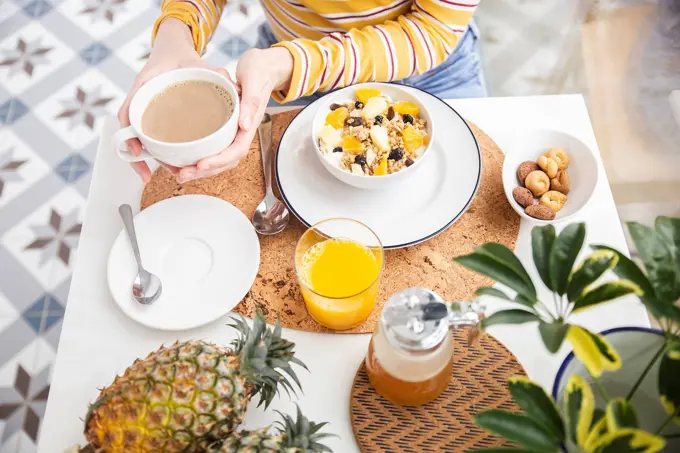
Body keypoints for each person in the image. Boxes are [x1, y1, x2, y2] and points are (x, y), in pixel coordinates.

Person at [120, 0, 483, 184]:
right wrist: (175, 32)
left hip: (432, 73)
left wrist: (293, 64)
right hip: (285, 68)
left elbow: (432, 29)